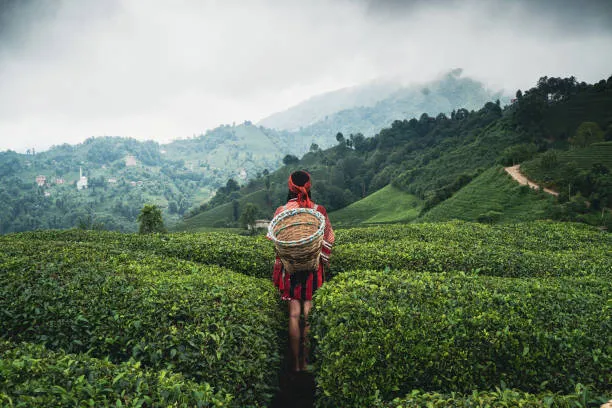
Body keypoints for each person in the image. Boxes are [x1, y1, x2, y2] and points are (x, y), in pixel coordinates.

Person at [271, 170, 334, 372]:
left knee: (294, 314)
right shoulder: (318, 210)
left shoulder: (281, 211)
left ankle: (295, 364)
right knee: (308, 312)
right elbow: (329, 238)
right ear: (309, 186)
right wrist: (319, 257)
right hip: (312, 269)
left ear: (290, 187)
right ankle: (306, 361)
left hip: (289, 269)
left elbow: (275, 239)